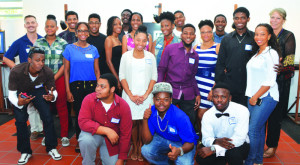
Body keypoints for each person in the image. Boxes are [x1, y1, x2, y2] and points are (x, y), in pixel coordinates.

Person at [8, 47, 62, 164]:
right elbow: (11, 93)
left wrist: (53, 97)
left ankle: (51, 147)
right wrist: (18, 103)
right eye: (37, 60)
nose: (41, 63)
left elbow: (53, 90)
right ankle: (25, 151)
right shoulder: (16, 71)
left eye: (43, 60)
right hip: (21, 93)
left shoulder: (47, 71)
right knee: (21, 121)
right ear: (29, 60)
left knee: (47, 117)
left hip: (38, 90)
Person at [119, 25, 157, 161]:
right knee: (133, 123)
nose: (141, 43)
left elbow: (154, 77)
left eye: (144, 40)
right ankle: (134, 146)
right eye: (138, 40)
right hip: (130, 96)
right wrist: (130, 94)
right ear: (133, 39)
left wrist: (146, 94)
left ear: (147, 42)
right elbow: (122, 76)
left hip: (146, 96)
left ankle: (141, 147)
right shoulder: (126, 56)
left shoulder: (151, 57)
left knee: (143, 122)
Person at [3, 15, 43, 141]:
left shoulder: (42, 40)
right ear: (25, 25)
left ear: (36, 24)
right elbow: (6, 58)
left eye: (33, 22)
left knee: (41, 104)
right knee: (30, 104)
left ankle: (42, 128)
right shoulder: (20, 42)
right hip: (25, 79)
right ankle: (35, 129)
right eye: (28, 23)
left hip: (40, 77)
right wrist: (17, 69)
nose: (30, 24)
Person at [245, 23, 280, 165]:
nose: (258, 37)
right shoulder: (257, 53)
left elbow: (270, 80)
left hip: (266, 97)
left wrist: (255, 97)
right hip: (253, 96)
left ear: (269, 36)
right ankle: (258, 160)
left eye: (262, 34)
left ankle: (249, 161)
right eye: (256, 34)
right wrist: (251, 96)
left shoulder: (271, 53)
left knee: (252, 130)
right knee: (258, 131)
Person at [78, 73, 132, 165]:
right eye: (97, 85)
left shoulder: (123, 106)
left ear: (112, 89)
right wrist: (106, 130)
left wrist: (121, 159)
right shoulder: (89, 99)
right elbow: (83, 121)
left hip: (112, 142)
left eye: (102, 87)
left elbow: (126, 134)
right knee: (85, 140)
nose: (97, 89)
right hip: (94, 135)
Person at [264, 8, 296, 158]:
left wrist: (279, 66)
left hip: (280, 81)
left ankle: (272, 146)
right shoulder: (266, 33)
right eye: (272, 17)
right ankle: (258, 144)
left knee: (275, 116)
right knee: (261, 114)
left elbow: (289, 60)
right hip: (264, 81)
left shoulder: (288, 36)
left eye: (278, 18)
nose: (274, 21)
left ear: (283, 20)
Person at [63, 22, 100, 152]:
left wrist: (99, 87)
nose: (83, 33)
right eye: (80, 31)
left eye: (85, 31)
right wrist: (68, 90)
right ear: (76, 33)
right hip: (76, 86)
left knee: (94, 114)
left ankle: (93, 139)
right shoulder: (69, 49)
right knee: (79, 114)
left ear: (88, 33)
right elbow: (66, 71)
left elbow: (97, 70)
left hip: (92, 86)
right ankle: (80, 140)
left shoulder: (94, 49)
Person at [34, 14, 69, 147]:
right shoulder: (38, 43)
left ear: (56, 27)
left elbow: (65, 64)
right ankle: (47, 134)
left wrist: (53, 78)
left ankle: (64, 135)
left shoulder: (63, 43)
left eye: (52, 26)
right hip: (42, 79)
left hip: (58, 78)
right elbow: (34, 62)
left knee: (61, 106)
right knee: (45, 107)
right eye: (47, 26)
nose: (50, 28)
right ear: (44, 27)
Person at [141, 82, 198, 164]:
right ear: (153, 100)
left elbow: (190, 143)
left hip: (182, 143)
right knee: (145, 151)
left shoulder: (180, 116)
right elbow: (146, 141)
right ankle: (167, 162)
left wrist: (179, 150)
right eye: (158, 99)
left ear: (171, 100)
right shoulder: (151, 112)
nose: (161, 103)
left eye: (166, 99)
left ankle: (176, 158)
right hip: (163, 138)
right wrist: (145, 119)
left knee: (185, 163)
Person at [158, 24, 200, 128]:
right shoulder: (170, 48)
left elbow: (192, 77)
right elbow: (162, 69)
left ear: (195, 36)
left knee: (190, 120)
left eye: (191, 34)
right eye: (185, 33)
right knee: (166, 119)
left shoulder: (195, 55)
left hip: (188, 92)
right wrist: (159, 88)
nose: (188, 36)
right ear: (181, 35)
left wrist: (197, 94)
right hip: (172, 90)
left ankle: (189, 142)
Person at [196, 83, 250, 165]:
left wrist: (215, 149)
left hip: (237, 144)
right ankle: (221, 161)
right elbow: (206, 139)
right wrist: (216, 141)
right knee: (201, 157)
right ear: (212, 98)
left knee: (234, 154)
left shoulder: (242, 110)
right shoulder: (207, 115)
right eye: (216, 96)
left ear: (230, 98)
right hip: (216, 141)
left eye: (223, 97)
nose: (219, 100)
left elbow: (239, 138)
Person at [215, 7, 258, 107]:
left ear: (248, 19)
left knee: (246, 113)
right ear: (233, 19)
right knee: (230, 112)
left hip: (249, 84)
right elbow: (220, 64)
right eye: (236, 18)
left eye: (242, 18)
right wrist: (219, 84)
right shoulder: (226, 39)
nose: (239, 21)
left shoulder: (254, 37)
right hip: (230, 83)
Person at [194, 19, 220, 133]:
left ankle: (213, 139)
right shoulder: (196, 48)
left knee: (212, 115)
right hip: (198, 85)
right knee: (200, 115)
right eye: (203, 32)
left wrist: (214, 89)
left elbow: (222, 70)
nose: (206, 34)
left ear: (212, 32)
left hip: (211, 86)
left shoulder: (218, 47)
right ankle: (202, 139)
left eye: (208, 31)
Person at [104, 16, 123, 95]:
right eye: (115, 24)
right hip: (113, 74)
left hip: (120, 72)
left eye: (120, 24)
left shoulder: (120, 40)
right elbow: (108, 61)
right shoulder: (109, 39)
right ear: (111, 26)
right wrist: (117, 79)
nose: (118, 26)